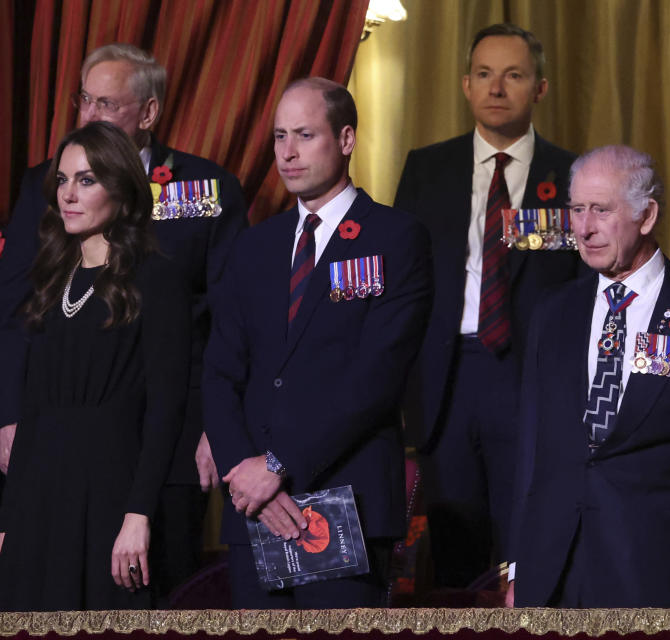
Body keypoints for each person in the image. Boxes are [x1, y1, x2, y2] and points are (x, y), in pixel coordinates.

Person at [0, 43, 247, 598]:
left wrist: (221, 424)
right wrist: (9, 416)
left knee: (155, 593)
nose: (89, 115)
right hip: (53, 442)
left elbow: (233, 316)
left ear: (149, 112)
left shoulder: (205, 189)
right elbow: (15, 311)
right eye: (84, 100)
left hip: (169, 433)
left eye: (106, 103)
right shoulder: (47, 186)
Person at [203, 77, 432, 609]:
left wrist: (279, 464)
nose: (287, 152)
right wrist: (244, 472)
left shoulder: (395, 238)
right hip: (252, 507)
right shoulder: (255, 246)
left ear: (347, 139)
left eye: (305, 135)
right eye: (280, 136)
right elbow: (219, 371)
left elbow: (377, 377)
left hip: (345, 500)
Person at [507, 145, 670, 608]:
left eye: (601, 210)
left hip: (657, 567)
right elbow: (531, 447)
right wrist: (519, 564)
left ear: (647, 216)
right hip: (552, 570)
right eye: (577, 209)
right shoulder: (552, 313)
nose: (584, 227)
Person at [393, 23, 580, 588]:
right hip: (445, 379)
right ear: (466, 85)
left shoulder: (572, 174)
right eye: (484, 75)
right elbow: (405, 282)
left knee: (528, 543)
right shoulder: (427, 168)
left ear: (540, 89)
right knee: (456, 552)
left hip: (532, 380)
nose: (497, 89)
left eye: (514, 75)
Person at [0, 121, 191, 611]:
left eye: (86, 180)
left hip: (112, 487)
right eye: (62, 180)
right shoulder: (49, 277)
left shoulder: (156, 276)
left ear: (122, 190)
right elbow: (34, 406)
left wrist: (138, 513)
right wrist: (8, 516)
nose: (69, 194)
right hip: (40, 490)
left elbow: (166, 409)